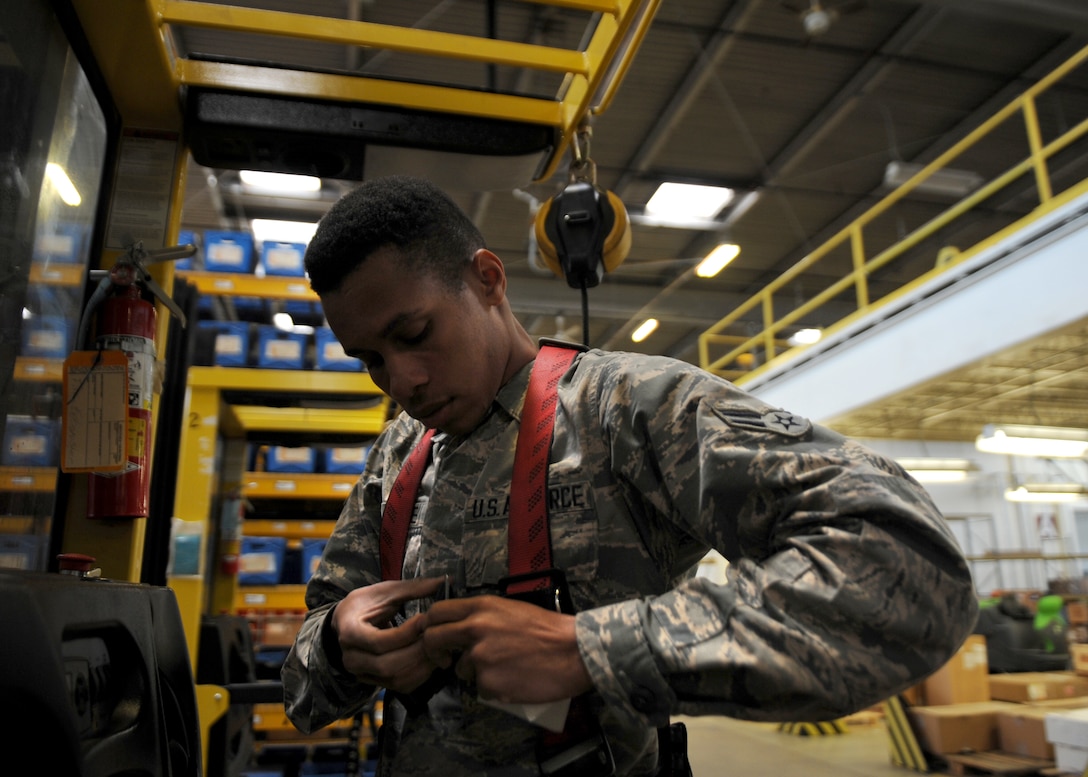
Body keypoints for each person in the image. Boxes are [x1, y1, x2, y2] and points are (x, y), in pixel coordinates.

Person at [281, 175, 978, 776]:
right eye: (370, 358)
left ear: (488, 279)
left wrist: (593, 648)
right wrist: (342, 646)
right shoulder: (400, 454)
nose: (400, 380)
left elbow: (909, 565)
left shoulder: (630, 410)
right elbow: (304, 669)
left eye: (414, 334)